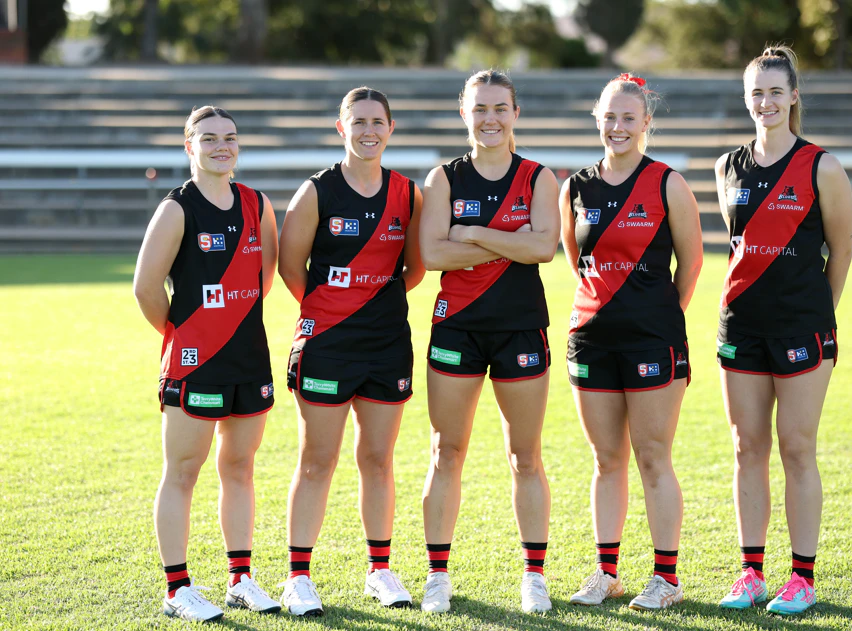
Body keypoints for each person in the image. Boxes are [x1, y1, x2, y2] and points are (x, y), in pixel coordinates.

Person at [714, 46, 852, 615]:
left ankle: (802, 578)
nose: (766, 102)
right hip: (740, 324)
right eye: (757, 92)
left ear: (794, 96)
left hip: (803, 329)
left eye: (776, 91)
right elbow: (737, 245)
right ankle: (751, 573)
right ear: (746, 98)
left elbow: (840, 251)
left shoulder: (822, 167)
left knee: (797, 448)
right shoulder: (727, 167)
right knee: (746, 447)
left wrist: (818, 311)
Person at [277, 87, 425, 616]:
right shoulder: (317, 192)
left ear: (390, 128)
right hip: (327, 344)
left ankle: (379, 571)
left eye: (377, 121)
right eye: (357, 121)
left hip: (387, 344)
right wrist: (334, 308)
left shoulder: (408, 194)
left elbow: (414, 269)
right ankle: (297, 578)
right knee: (317, 460)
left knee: (378, 459)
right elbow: (290, 267)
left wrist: (369, 304)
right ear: (341, 128)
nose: (368, 130)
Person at [558, 73, 703, 610]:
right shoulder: (575, 187)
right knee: (605, 460)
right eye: (609, 117)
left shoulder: (667, 183)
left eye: (628, 118)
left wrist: (657, 316)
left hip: (653, 343)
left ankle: (666, 579)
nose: (617, 127)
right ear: (597, 119)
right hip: (590, 341)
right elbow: (576, 260)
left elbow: (692, 264)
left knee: (653, 457)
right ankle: (606, 573)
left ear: (646, 122)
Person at [418, 69, 561, 614]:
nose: (490, 119)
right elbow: (434, 255)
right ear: (465, 113)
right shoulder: (444, 179)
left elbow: (543, 248)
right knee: (446, 451)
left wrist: (474, 233)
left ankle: (533, 576)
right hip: (457, 327)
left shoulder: (538, 179)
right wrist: (512, 241)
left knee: (525, 456)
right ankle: (437, 575)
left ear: (515, 113)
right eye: (479, 108)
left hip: (520, 327)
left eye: (500, 108)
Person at [133, 105, 281, 622]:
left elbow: (262, 280)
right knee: (183, 472)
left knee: (239, 467)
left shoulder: (258, 204)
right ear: (189, 146)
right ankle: (177, 589)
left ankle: (240, 579)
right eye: (209, 138)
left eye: (230, 137)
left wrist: (230, 325)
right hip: (195, 362)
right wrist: (184, 335)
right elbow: (146, 288)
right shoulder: (177, 209)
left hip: (249, 357)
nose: (222, 146)